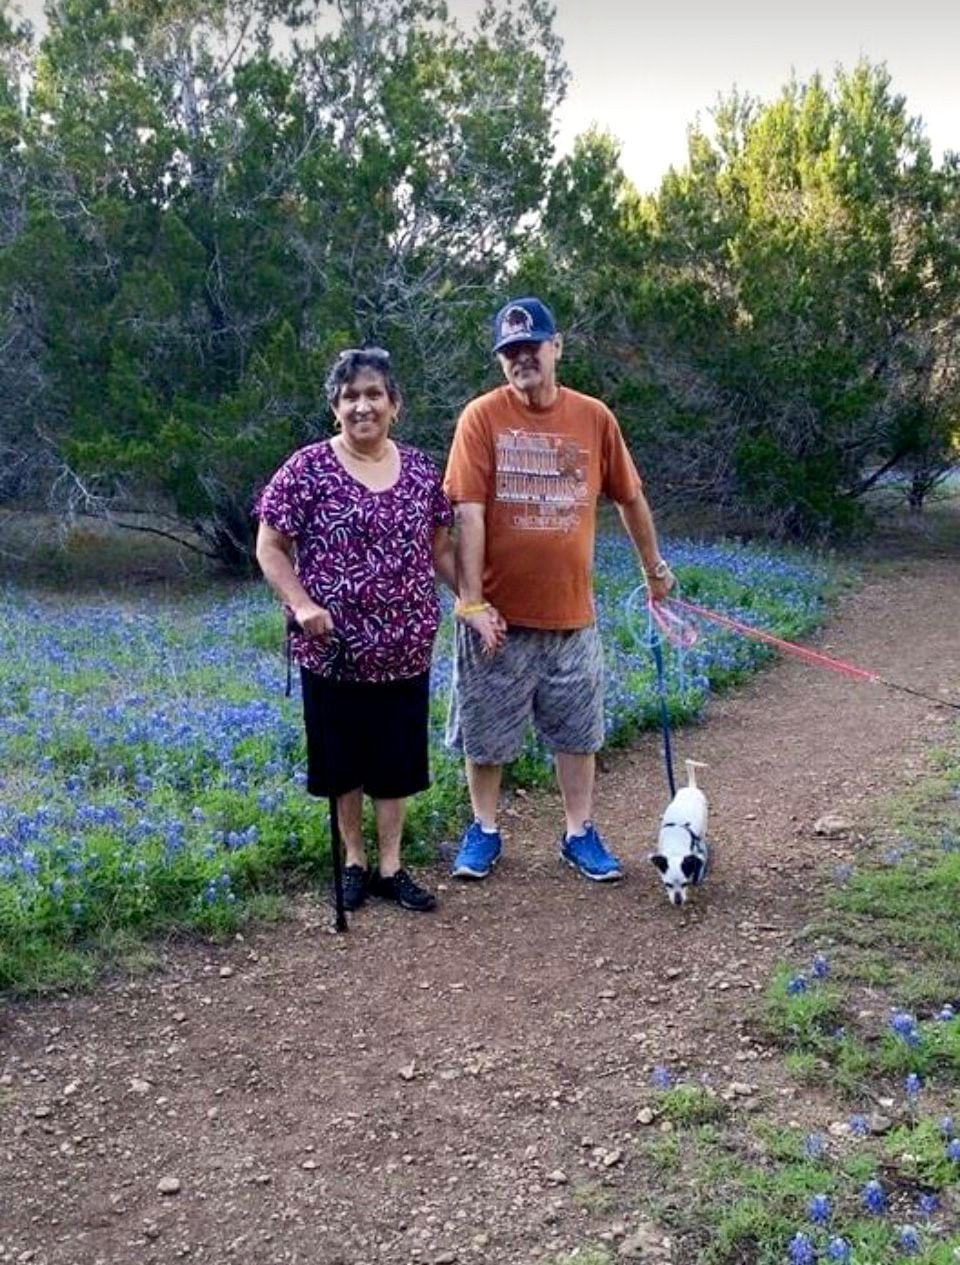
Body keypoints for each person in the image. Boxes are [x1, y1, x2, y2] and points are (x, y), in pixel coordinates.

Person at [443, 296, 674, 883]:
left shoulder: (594, 417)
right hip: (497, 616)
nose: (523, 359)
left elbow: (629, 496)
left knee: (578, 730)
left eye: (533, 347)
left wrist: (655, 570)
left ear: (556, 347)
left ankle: (579, 832)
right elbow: (465, 513)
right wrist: (470, 601)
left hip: (573, 614)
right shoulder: (481, 418)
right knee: (485, 729)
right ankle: (484, 830)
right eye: (511, 351)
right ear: (502, 360)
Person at [255, 347, 462, 914]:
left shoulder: (421, 470)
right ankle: (353, 859)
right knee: (342, 760)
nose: (362, 406)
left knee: (395, 760)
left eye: (374, 395)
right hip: (333, 649)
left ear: (394, 404)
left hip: (406, 645)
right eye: (350, 397)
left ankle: (391, 866)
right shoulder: (306, 469)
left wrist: (473, 600)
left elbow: (439, 549)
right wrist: (300, 605)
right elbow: (269, 548)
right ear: (335, 408)